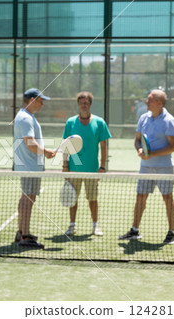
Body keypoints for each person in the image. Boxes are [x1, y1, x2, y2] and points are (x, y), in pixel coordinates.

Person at [119, 89, 174, 245]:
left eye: (150, 99)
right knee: (140, 197)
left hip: (164, 167)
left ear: (159, 103)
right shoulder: (143, 118)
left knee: (167, 198)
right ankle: (134, 230)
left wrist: (152, 154)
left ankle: (171, 233)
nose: (146, 101)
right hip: (145, 167)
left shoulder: (169, 120)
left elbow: (173, 146)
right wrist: (139, 149)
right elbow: (137, 140)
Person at [62, 92, 111, 236]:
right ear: (78, 104)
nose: (84, 105)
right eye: (82, 102)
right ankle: (72, 225)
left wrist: (102, 167)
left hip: (92, 169)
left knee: (93, 199)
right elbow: (66, 145)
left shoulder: (99, 122)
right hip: (74, 168)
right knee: (72, 199)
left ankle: (95, 225)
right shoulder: (70, 122)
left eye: (86, 102)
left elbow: (103, 146)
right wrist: (65, 166)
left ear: (90, 104)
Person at [13, 88, 56, 249]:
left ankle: (22, 232)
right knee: (28, 199)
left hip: (30, 166)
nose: (42, 104)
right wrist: (46, 152)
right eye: (40, 100)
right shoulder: (25, 118)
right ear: (31, 100)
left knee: (27, 198)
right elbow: (29, 143)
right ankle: (25, 236)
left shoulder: (26, 116)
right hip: (29, 166)